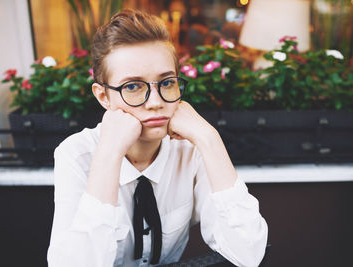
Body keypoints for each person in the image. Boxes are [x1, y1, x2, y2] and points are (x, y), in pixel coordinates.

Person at [47, 9, 268, 267]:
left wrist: (209, 138)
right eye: (132, 86)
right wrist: (109, 154)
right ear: (103, 96)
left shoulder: (190, 148)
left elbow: (248, 254)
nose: (155, 103)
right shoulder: (76, 154)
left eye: (166, 83)